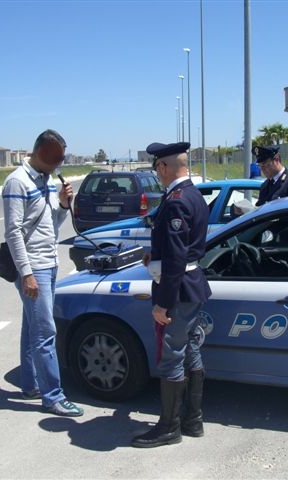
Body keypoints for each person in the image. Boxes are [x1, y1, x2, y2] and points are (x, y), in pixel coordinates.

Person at [131, 141, 212, 448]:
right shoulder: (192, 194)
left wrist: (163, 303)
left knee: (171, 357)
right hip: (192, 285)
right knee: (190, 348)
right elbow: (182, 249)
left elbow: (178, 258)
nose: (157, 173)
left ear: (163, 167)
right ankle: (193, 419)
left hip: (178, 290)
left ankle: (169, 428)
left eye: (156, 168)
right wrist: (157, 254)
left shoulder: (176, 201)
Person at [2, 129, 84, 417]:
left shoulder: (47, 181)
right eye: (54, 161)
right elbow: (13, 232)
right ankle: (53, 396)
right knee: (46, 331)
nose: (57, 168)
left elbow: (52, 223)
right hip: (32, 266)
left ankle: (30, 384)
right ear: (39, 153)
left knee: (31, 327)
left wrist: (63, 204)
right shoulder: (17, 182)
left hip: (48, 262)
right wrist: (26, 273)